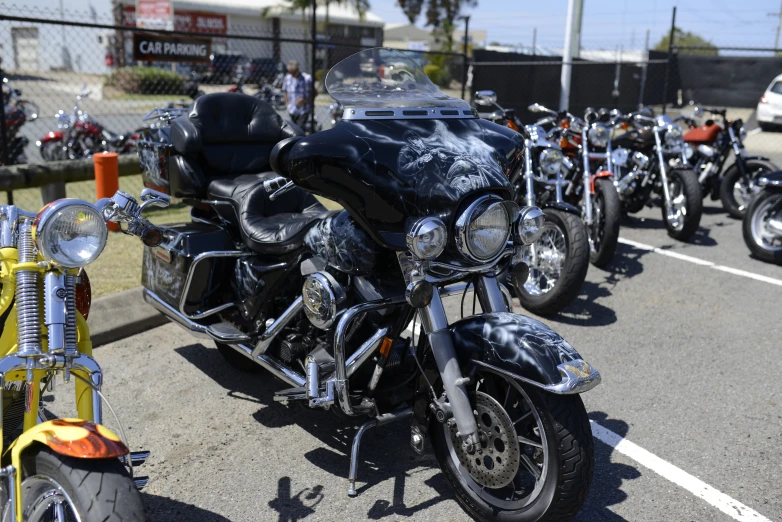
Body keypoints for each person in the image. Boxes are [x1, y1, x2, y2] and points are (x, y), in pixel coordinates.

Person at [282, 60, 314, 129]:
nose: (292, 74)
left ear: (297, 70)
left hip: (304, 109)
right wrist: (288, 104)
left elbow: (314, 93)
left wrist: (304, 101)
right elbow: (285, 92)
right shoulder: (287, 78)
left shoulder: (307, 78)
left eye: (293, 72)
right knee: (294, 129)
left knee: (300, 129)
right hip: (292, 109)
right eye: (290, 72)